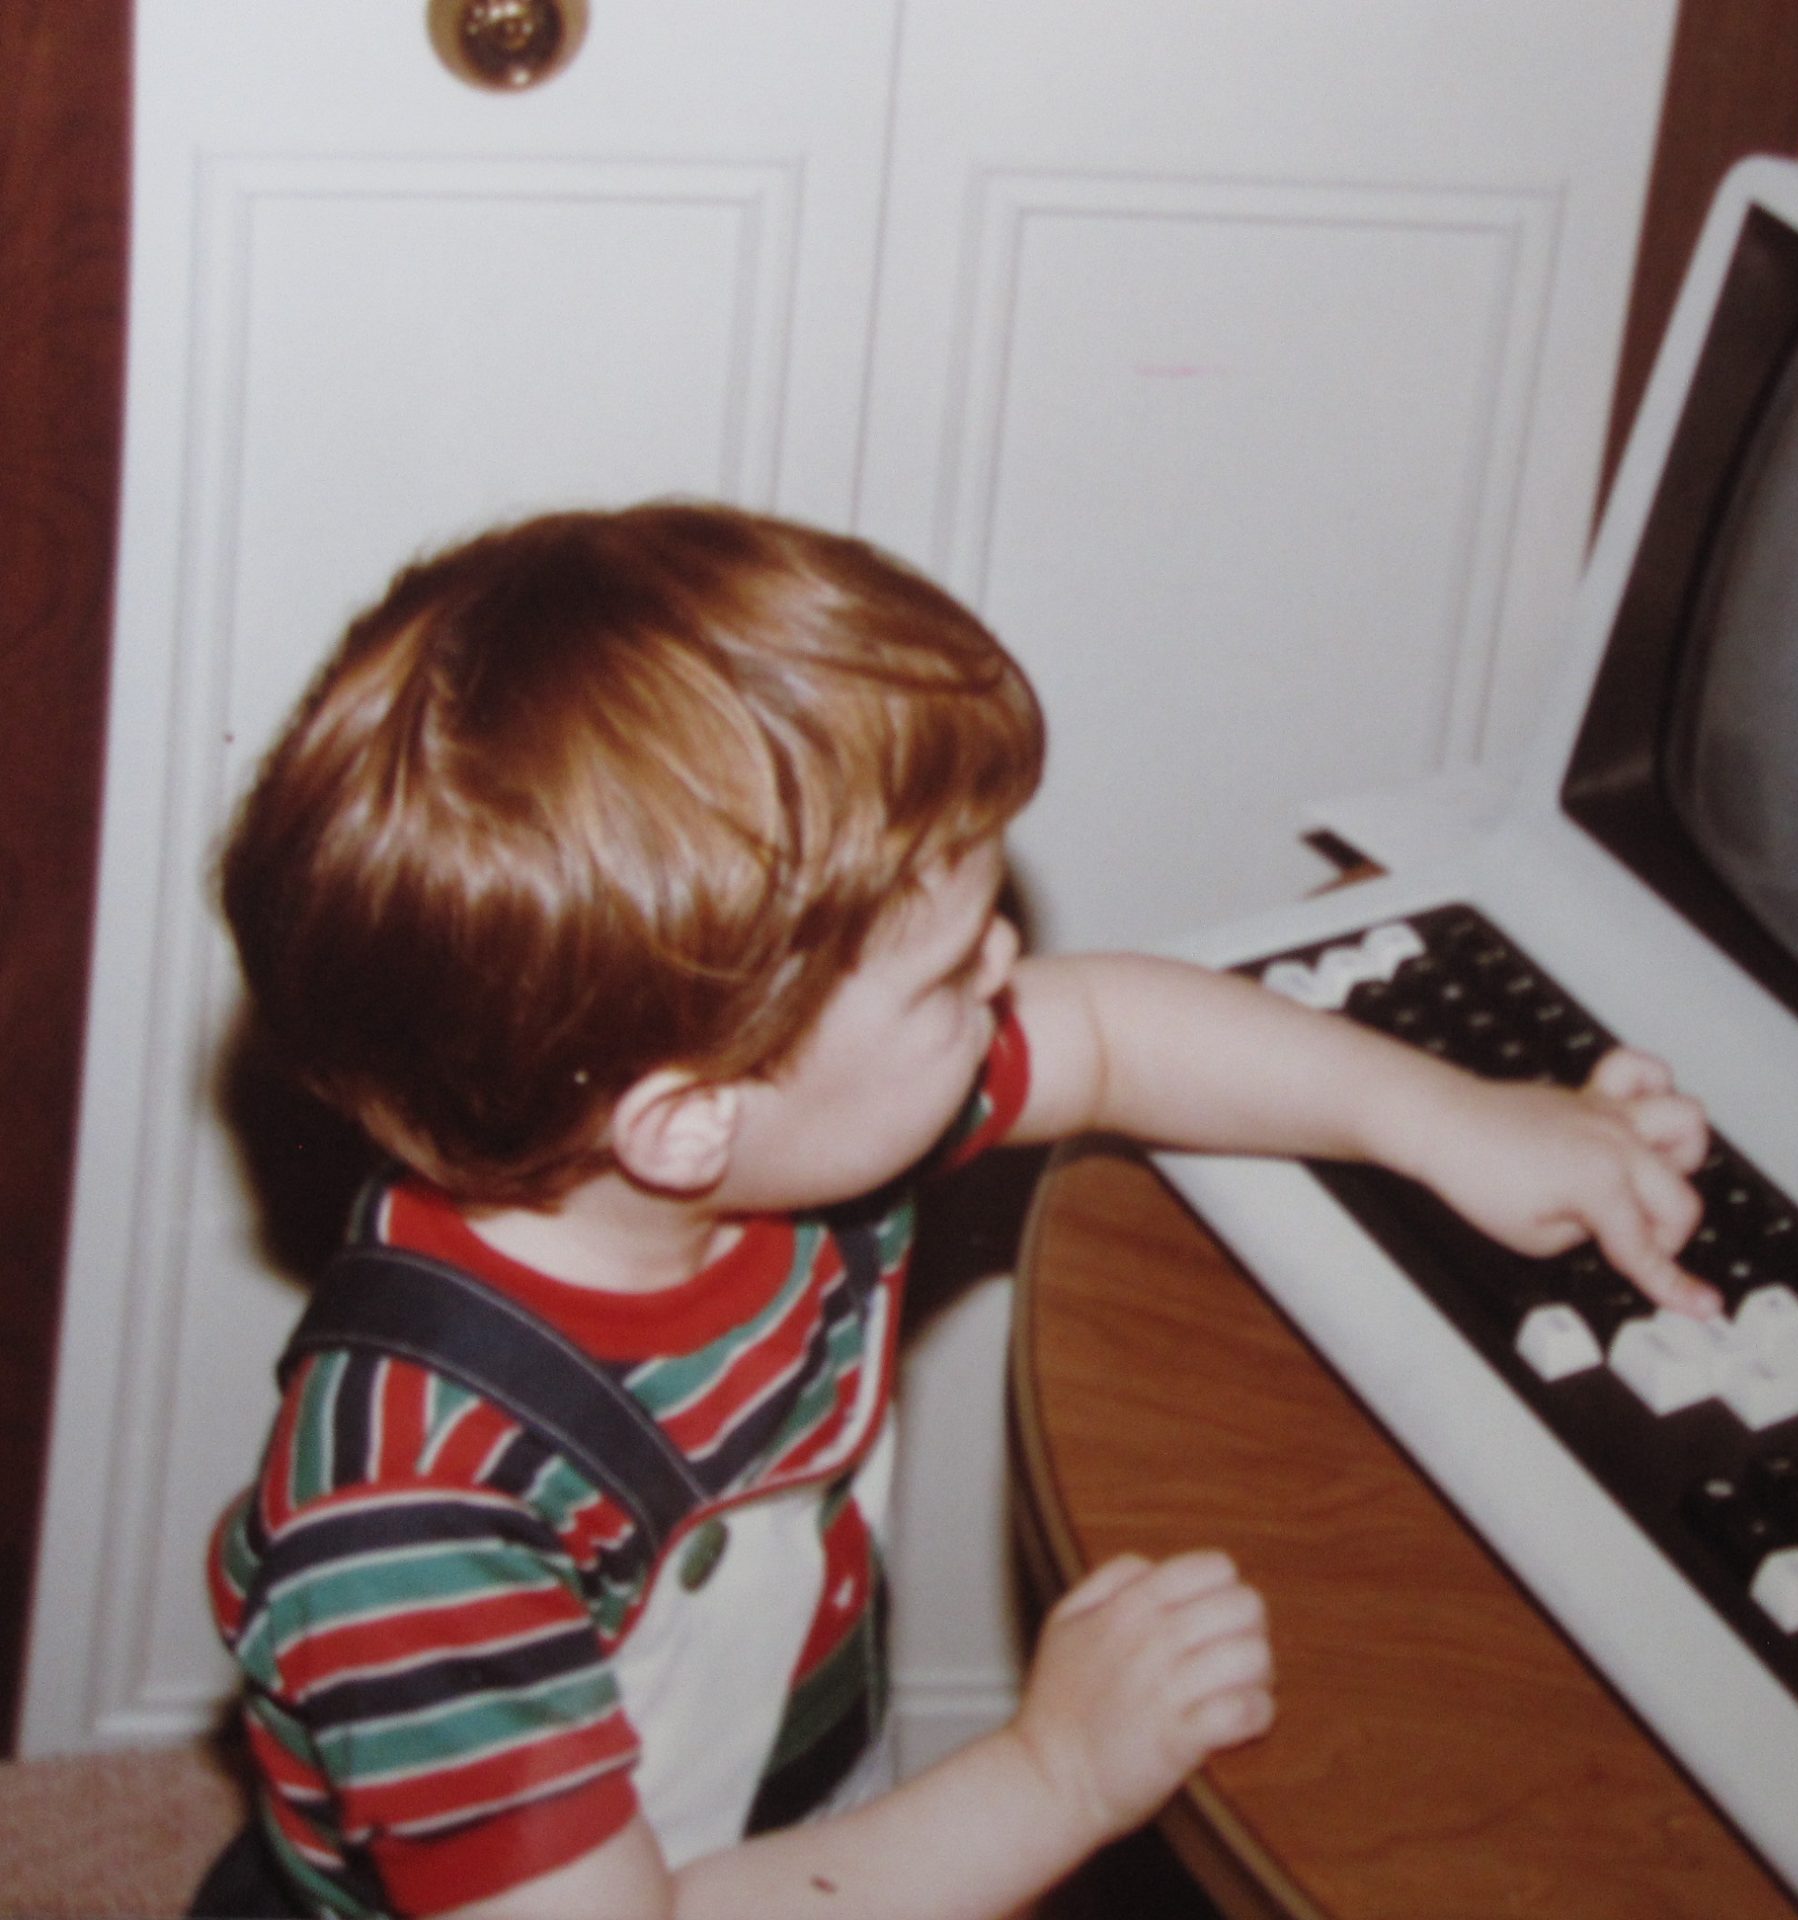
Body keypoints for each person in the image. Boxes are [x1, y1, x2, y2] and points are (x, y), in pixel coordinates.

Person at [205, 503, 1716, 1920]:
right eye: (943, 978)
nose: (1005, 959)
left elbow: (1115, 1032)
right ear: (684, 1123)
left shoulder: (777, 1141)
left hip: (761, 1818)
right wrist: (1053, 1776)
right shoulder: (415, 1523)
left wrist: (1449, 1118)